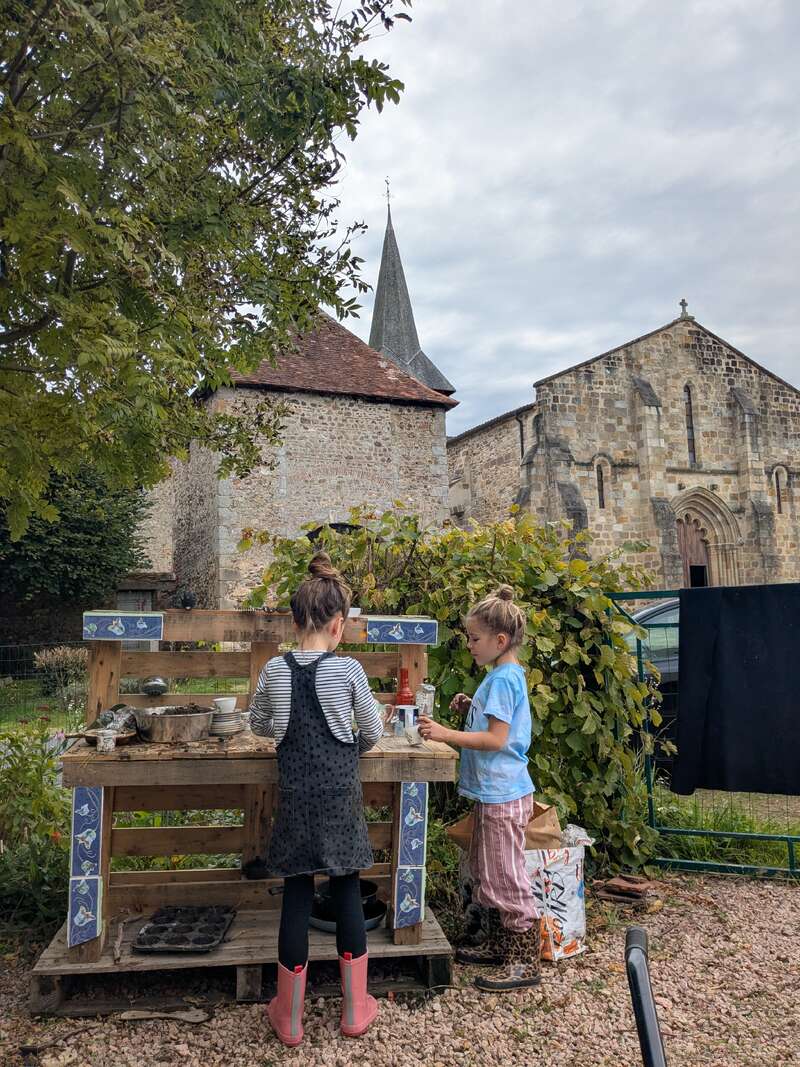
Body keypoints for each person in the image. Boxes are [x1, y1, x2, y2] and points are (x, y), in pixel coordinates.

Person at [250, 553, 384, 1045]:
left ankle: (288, 1016)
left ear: (293, 621)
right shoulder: (347, 672)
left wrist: (282, 726)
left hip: (296, 798)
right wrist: (351, 745)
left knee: (298, 894)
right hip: (339, 797)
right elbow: (372, 731)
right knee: (347, 888)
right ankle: (354, 1009)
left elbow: (259, 725)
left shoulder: (274, 671)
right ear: (338, 625)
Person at [418, 585, 540, 991]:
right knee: (489, 870)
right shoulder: (499, 677)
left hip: (504, 794)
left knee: (506, 874)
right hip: (495, 794)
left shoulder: (504, 679)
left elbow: (497, 740)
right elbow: (495, 724)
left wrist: (445, 732)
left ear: (499, 641)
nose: (469, 645)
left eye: (474, 638)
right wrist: (471, 707)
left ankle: (524, 962)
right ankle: (500, 945)